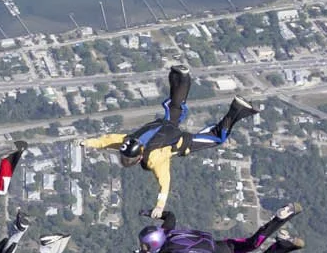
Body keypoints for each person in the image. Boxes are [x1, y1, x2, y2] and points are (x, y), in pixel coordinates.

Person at [82, 66, 256, 216]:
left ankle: (238, 108)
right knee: (175, 106)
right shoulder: (127, 140)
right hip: (165, 125)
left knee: (218, 138)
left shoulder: (153, 160)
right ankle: (181, 75)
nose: (129, 160)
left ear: (139, 155)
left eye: (130, 160)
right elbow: (108, 141)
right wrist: (88, 142)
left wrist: (160, 206)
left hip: (181, 142)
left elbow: (164, 182)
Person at [138, 206, 302, 253]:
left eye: (145, 245)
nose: (143, 247)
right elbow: (170, 216)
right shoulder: (168, 231)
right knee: (253, 243)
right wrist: (150, 212)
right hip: (220, 246)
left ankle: (282, 245)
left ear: (154, 244)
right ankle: (281, 218)